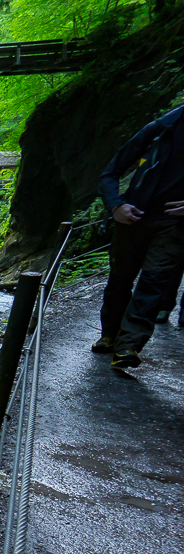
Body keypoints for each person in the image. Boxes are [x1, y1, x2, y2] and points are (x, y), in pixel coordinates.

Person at [95, 102, 184, 368]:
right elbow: (110, 173)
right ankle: (110, 335)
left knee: (153, 283)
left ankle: (129, 346)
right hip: (132, 219)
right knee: (120, 280)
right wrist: (116, 206)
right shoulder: (158, 129)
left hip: (174, 226)